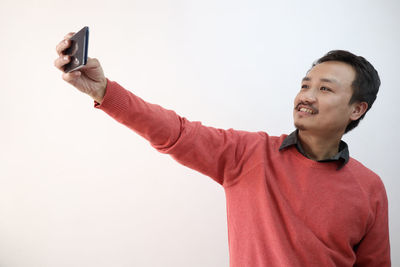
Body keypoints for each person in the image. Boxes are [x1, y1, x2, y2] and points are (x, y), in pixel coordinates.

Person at [54, 32, 391, 267]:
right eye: (305, 85)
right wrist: (104, 91)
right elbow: (175, 132)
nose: (307, 95)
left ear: (356, 109)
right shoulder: (247, 154)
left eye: (324, 89)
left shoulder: (369, 186)